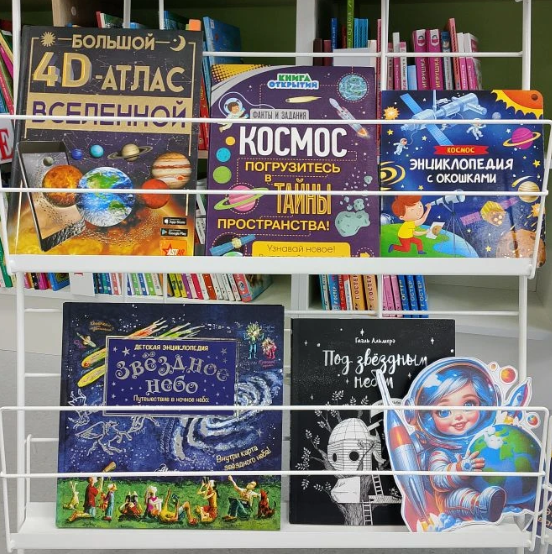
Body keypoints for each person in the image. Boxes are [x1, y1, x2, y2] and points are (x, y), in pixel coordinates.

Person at [403, 358, 507, 525]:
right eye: (443, 411)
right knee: (457, 497)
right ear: (429, 418)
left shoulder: (486, 440)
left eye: (469, 404)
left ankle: (501, 499)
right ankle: (481, 506)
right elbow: (438, 480)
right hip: (451, 495)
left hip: (488, 485)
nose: (458, 416)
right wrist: (461, 469)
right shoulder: (440, 452)